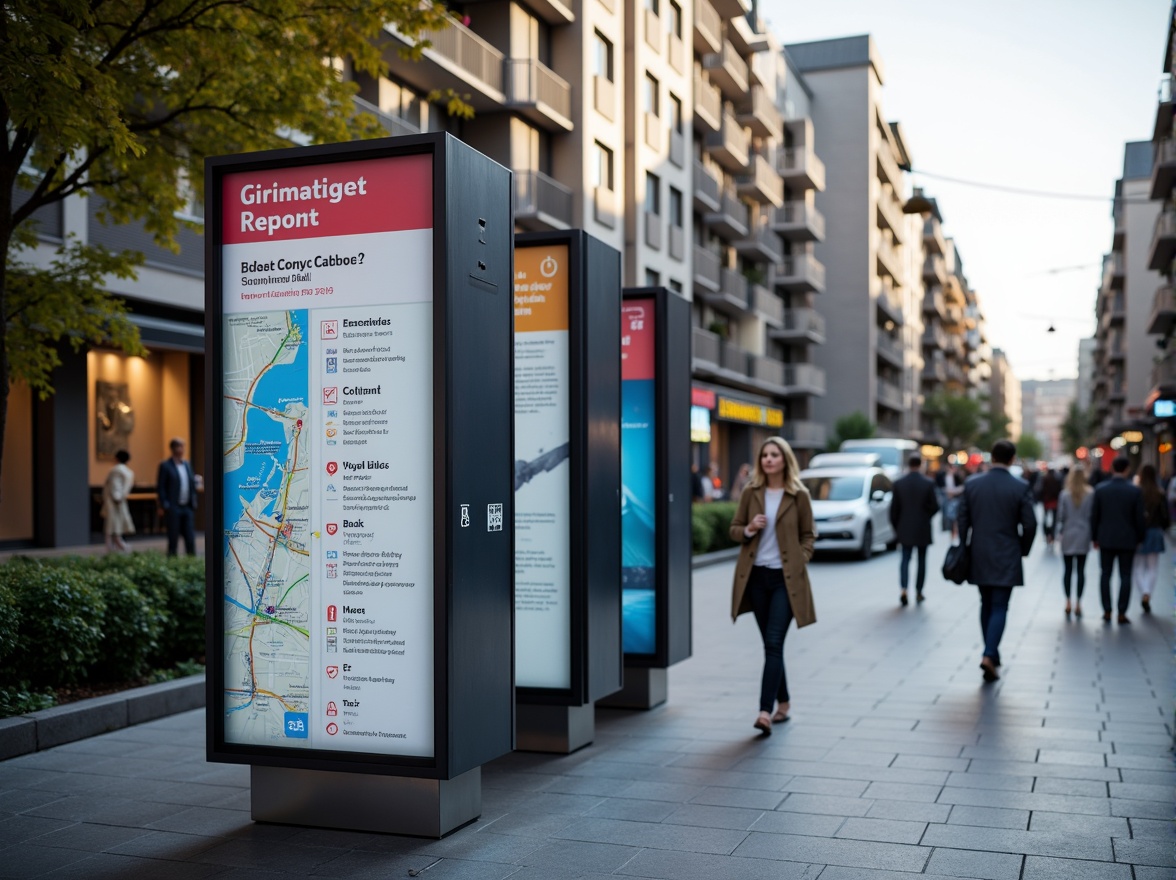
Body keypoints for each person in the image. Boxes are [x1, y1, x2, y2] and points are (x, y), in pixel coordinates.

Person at [728, 437, 816, 735]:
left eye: (774, 454)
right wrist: (750, 528)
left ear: (784, 459)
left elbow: (809, 535)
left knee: (774, 642)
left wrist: (800, 559)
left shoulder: (798, 494)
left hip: (785, 580)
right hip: (756, 578)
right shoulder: (751, 492)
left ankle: (764, 712)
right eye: (764, 454)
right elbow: (734, 530)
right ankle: (785, 702)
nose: (768, 459)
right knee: (771, 644)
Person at [956, 439, 1037, 682]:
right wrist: (1022, 549)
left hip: (979, 551)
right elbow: (1030, 524)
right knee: (1000, 605)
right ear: (1012, 459)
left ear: (992, 457)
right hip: (1007, 551)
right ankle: (990, 653)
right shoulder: (1020, 486)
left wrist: (964, 546)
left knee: (986, 603)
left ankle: (991, 652)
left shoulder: (972, 485)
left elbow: (962, 519)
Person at [1090, 456, 1146, 625]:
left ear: (1113, 468)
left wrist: (1094, 537)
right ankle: (1122, 612)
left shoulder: (1100, 489)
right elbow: (1139, 518)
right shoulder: (1134, 491)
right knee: (1125, 575)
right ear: (1127, 469)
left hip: (1106, 538)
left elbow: (1094, 517)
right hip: (1127, 539)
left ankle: (1107, 610)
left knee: (1105, 574)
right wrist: (1140, 537)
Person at [889, 454, 940, 606]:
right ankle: (919, 591)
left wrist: (897, 527)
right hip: (922, 527)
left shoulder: (899, 483)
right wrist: (925, 516)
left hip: (904, 528)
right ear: (921, 465)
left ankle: (904, 589)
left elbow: (893, 510)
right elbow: (935, 506)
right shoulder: (928, 483)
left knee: (905, 559)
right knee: (922, 560)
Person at [1056, 465, 1093, 618]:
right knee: (1081, 571)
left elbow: (1060, 516)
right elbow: (1091, 515)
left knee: (1068, 570)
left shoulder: (1065, 494)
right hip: (1084, 534)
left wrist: (1058, 533)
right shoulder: (1090, 494)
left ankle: (1068, 602)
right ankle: (1078, 602)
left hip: (1068, 534)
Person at [1132, 463, 1168, 615]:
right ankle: (1147, 593)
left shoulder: (1136, 492)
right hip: (1154, 532)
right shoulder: (1159, 493)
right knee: (1152, 567)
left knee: (1138, 567)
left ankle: (1144, 593)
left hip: (1139, 532)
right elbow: (1165, 517)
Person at [157, 438, 198, 556]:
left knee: (190, 536)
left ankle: (191, 562)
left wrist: (194, 500)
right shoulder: (165, 466)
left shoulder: (187, 464)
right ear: (173, 449)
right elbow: (161, 486)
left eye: (182, 446)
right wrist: (165, 503)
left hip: (187, 506)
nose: (181, 449)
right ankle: (172, 561)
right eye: (178, 446)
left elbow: (191, 485)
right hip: (173, 506)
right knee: (173, 537)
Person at [101, 450, 135, 553]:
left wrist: (117, 497)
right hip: (120, 501)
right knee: (116, 525)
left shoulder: (116, 470)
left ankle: (112, 547)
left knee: (111, 525)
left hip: (114, 501)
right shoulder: (129, 471)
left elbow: (115, 485)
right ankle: (118, 545)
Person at [1040, 468, 1061, 549]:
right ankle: (1052, 535)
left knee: (1045, 520)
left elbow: (1040, 489)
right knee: (1054, 520)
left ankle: (1047, 534)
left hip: (1047, 502)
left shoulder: (1044, 479)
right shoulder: (1057, 479)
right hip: (1054, 503)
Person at [942, 464, 964, 532]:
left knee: (955, 517)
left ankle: (954, 531)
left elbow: (961, 487)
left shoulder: (957, 476)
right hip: (949, 498)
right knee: (949, 516)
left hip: (955, 498)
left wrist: (954, 492)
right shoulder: (946, 476)